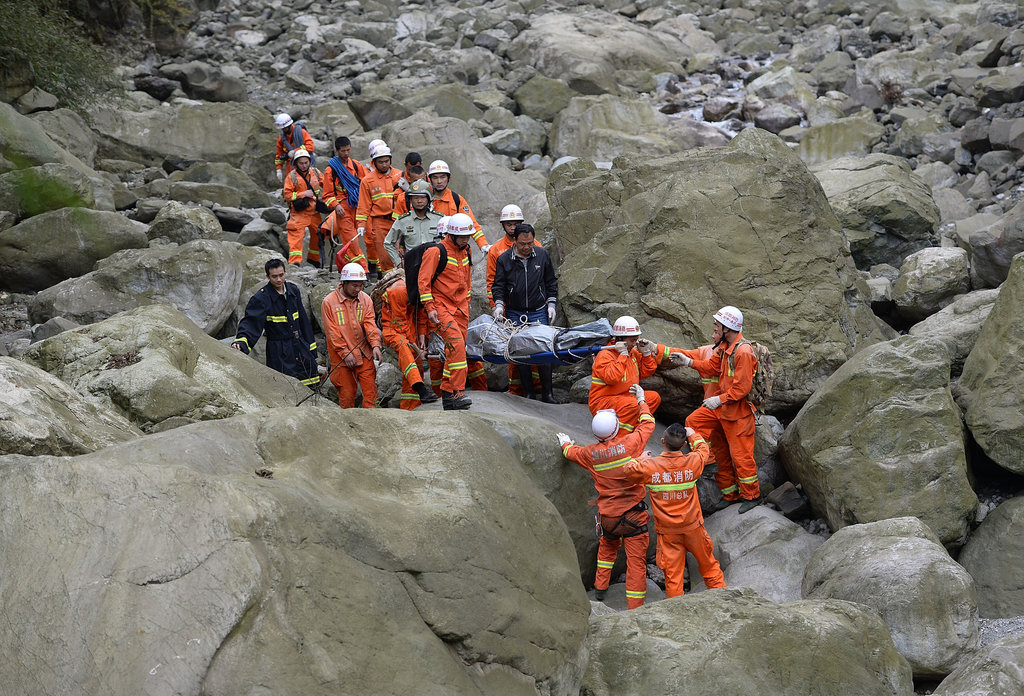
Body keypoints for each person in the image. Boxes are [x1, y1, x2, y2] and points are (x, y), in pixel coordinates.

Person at [557, 385, 655, 609]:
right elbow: (648, 424)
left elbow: (570, 452)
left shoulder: (590, 453)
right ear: (616, 427)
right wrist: (641, 400)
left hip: (609, 517)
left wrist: (564, 442)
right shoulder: (630, 443)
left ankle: (600, 589)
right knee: (636, 563)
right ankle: (635, 608)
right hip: (633, 517)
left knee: (607, 548)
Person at [622, 422, 726, 598]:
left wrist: (641, 458)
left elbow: (628, 470)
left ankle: (677, 616)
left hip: (668, 532)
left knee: (673, 578)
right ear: (684, 445)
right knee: (709, 567)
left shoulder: (650, 467)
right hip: (693, 528)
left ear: (662, 441)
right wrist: (693, 434)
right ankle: (725, 602)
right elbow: (703, 450)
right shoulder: (693, 462)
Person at [681, 306, 762, 513]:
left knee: (741, 457)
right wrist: (689, 362)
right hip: (724, 410)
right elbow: (711, 367)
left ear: (727, 327)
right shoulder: (725, 347)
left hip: (738, 414)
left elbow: (742, 388)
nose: (715, 328)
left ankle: (752, 496)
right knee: (694, 422)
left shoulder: (743, 351)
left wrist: (718, 399)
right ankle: (727, 489)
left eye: (718, 324)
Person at [492, 224, 558, 403]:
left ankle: (548, 394)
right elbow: (498, 285)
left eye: (530, 243)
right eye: (522, 244)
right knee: (520, 353)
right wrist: (498, 305)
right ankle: (528, 392)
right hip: (515, 312)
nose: (527, 247)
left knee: (544, 351)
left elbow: (551, 281)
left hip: (538, 311)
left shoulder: (542, 255)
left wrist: (551, 304)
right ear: (515, 241)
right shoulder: (504, 259)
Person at [231, 258, 320, 388]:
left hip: (300, 346)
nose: (278, 279)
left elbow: (303, 321)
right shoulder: (261, 298)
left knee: (310, 382)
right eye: (274, 276)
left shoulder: (293, 290)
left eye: (281, 275)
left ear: (285, 273)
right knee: (284, 387)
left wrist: (311, 348)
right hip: (279, 351)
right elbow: (251, 323)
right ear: (267, 276)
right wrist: (241, 342)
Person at [418, 212, 475, 410]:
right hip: (441, 306)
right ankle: (458, 392)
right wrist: (430, 308)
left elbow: (466, 279)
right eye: (462, 237)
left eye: (468, 236)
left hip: (460, 307)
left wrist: (467, 300)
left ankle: (448, 396)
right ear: (451, 234)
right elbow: (423, 282)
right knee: (456, 346)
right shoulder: (436, 252)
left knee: (455, 352)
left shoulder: (466, 250)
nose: (466, 240)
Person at [487, 204, 542, 395]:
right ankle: (517, 390)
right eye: (509, 224)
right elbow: (492, 282)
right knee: (515, 350)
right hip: (511, 310)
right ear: (503, 225)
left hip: (534, 307)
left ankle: (538, 389)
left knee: (537, 347)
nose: (512, 227)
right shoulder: (496, 251)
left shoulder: (537, 247)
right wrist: (496, 307)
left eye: (516, 223)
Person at [589, 316, 674, 437]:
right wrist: (622, 355)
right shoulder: (605, 355)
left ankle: (635, 431)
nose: (635, 344)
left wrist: (646, 353)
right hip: (603, 401)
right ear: (620, 339)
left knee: (653, 398)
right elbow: (612, 378)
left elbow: (646, 371)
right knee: (633, 404)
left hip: (624, 398)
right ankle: (619, 438)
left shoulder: (632, 352)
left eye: (636, 340)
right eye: (632, 341)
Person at [321, 263, 383, 409]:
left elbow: (370, 324)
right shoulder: (329, 302)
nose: (358, 289)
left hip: (364, 353)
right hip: (341, 358)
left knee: (371, 395)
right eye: (355, 285)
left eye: (361, 285)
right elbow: (332, 332)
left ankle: (372, 424)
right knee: (347, 396)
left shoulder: (365, 299)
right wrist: (345, 352)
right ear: (344, 283)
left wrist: (375, 345)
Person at [380, 275, 438, 409]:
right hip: (391, 328)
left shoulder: (420, 292)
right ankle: (421, 389)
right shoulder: (399, 291)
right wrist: (417, 348)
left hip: (408, 326)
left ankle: (410, 406)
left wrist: (421, 340)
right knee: (405, 348)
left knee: (416, 365)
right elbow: (399, 324)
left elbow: (421, 316)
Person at [355, 141, 402, 278]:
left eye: (386, 161)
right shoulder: (368, 180)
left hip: (399, 221)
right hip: (380, 223)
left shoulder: (400, 176)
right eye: (380, 162)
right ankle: (389, 286)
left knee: (402, 254)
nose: (384, 164)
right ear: (374, 162)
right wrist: (361, 225)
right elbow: (364, 205)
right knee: (385, 258)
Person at [424, 160, 489, 254]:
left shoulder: (456, 200)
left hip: (451, 249)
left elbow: (472, 224)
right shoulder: (422, 199)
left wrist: (483, 245)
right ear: (430, 179)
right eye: (435, 177)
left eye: (442, 177)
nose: (439, 181)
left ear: (448, 178)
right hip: (426, 248)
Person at [384, 179, 443, 268]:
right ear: (410, 200)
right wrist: (398, 262)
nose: (419, 201)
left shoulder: (440, 219)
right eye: (415, 198)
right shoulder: (403, 221)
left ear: (429, 198)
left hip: (436, 265)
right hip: (412, 267)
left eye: (423, 197)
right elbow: (388, 243)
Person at [321, 136, 369, 245]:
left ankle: (350, 262)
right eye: (343, 151)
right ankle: (360, 263)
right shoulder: (331, 170)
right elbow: (327, 195)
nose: (346, 153)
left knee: (368, 238)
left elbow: (365, 185)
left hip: (358, 207)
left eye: (348, 150)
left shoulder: (356, 165)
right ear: (337, 151)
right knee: (351, 242)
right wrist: (336, 205)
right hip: (343, 210)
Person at [282, 148, 324, 266]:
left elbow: (326, 183)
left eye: (306, 162)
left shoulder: (315, 172)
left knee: (318, 236)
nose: (304, 165)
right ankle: (295, 263)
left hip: (314, 212)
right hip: (299, 212)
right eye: (301, 163)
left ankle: (314, 259)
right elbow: (287, 195)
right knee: (296, 239)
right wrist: (303, 194)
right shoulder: (292, 177)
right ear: (296, 163)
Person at [274, 113, 315, 183]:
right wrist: (279, 169)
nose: (283, 130)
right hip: (291, 166)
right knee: (291, 185)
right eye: (282, 128)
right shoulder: (282, 138)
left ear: (289, 125)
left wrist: (295, 151)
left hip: (303, 164)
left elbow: (310, 146)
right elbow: (279, 155)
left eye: (284, 128)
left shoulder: (301, 132)